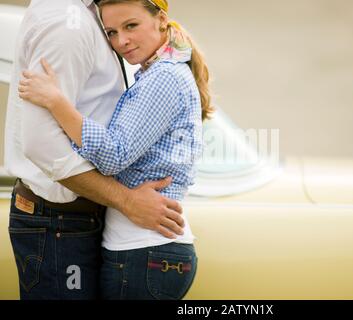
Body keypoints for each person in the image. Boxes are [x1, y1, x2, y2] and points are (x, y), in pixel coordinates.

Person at [18, 0, 213, 300]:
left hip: (145, 249)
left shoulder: (163, 78)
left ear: (161, 20)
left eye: (130, 26)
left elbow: (115, 155)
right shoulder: (156, 73)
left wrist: (58, 103)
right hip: (141, 250)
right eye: (111, 32)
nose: (121, 41)